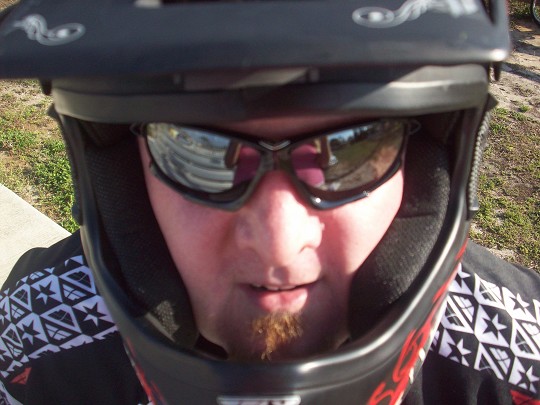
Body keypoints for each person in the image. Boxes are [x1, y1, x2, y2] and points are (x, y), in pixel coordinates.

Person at [0, 0, 538, 404]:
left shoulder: (518, 357)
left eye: (349, 150)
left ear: (429, 168)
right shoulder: (35, 335)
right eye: (197, 150)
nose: (279, 245)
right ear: (120, 173)